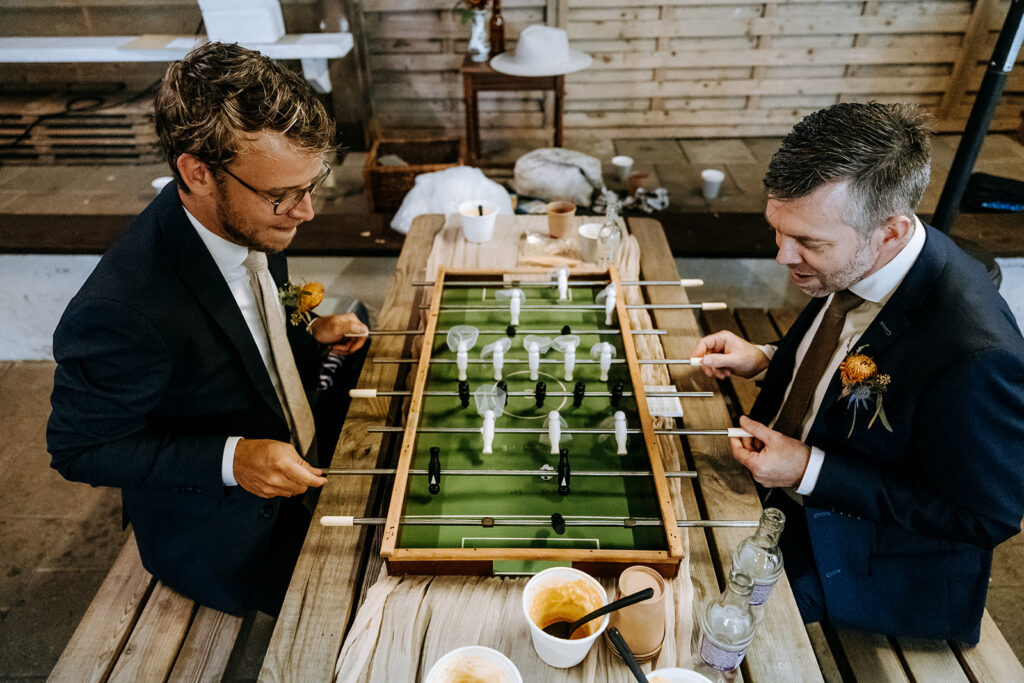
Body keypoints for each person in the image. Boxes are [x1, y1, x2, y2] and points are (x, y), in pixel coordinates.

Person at [47, 42, 369, 616]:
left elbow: (238, 333)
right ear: (196, 172)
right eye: (282, 196)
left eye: (311, 185)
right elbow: (80, 448)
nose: (306, 213)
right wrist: (232, 459)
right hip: (231, 541)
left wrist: (304, 332)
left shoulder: (248, 217)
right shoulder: (122, 309)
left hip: (299, 457)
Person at [693, 102, 1024, 643]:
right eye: (778, 230)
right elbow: (855, 361)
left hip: (859, 552)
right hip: (785, 485)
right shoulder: (861, 254)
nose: (782, 255)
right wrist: (768, 359)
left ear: (891, 231)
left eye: (808, 242)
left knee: (700, 611)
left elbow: (985, 518)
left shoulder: (978, 355)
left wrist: (809, 470)